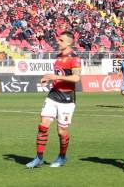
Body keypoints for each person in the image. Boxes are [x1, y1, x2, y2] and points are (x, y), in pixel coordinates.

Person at [26, 31, 82, 168]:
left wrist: (55, 77)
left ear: (69, 42)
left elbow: (76, 78)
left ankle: (62, 157)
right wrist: (48, 78)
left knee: (61, 131)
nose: (58, 42)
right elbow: (58, 75)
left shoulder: (74, 58)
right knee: (43, 125)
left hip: (67, 98)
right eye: (58, 39)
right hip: (53, 95)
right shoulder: (58, 57)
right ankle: (39, 158)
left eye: (61, 40)